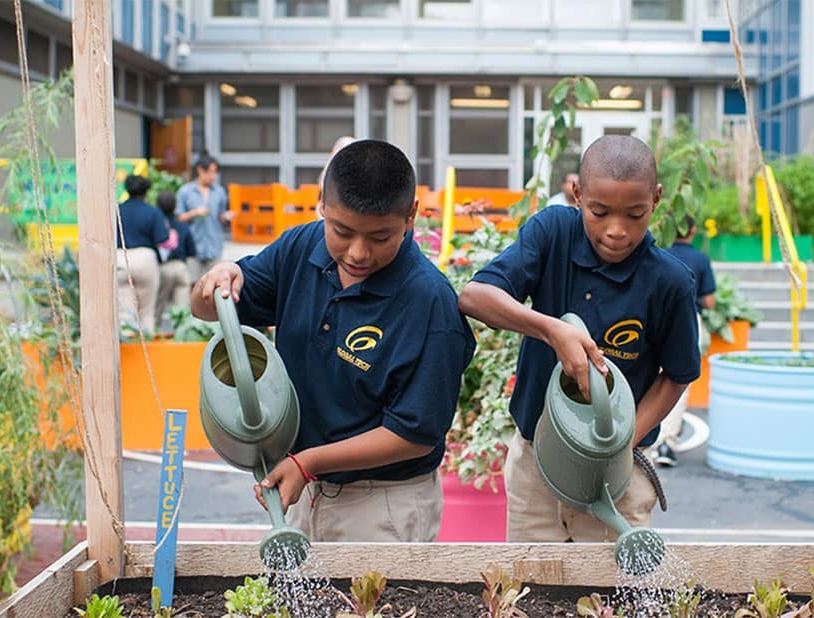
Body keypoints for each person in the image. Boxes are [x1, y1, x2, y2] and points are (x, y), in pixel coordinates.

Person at [191, 140, 475, 542]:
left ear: (410, 216)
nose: (358, 253)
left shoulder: (429, 304)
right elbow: (206, 309)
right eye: (342, 231)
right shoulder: (301, 247)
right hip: (305, 486)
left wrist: (309, 462)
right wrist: (216, 279)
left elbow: (414, 435)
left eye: (380, 237)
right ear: (322, 203)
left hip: (383, 504)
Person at [458, 135, 700, 543]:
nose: (617, 231)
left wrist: (620, 443)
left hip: (618, 473)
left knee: (608, 597)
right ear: (576, 194)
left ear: (656, 199)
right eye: (599, 212)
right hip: (537, 463)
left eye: (636, 215)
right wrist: (553, 329)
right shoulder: (551, 234)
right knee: (531, 589)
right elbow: (474, 297)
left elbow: (676, 374)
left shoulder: (670, 281)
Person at [649, 215, 715, 468]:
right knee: (678, 379)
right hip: (687, 320)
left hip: (654, 319)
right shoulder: (700, 259)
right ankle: (666, 441)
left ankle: (646, 439)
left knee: (652, 377)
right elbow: (708, 301)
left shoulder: (660, 255)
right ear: (694, 230)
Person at [116, 175, 168, 335]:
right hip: (145, 258)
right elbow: (162, 238)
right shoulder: (153, 212)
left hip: (120, 258)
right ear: (146, 192)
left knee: (125, 312)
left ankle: (128, 350)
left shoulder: (116, 210)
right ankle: (147, 349)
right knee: (146, 311)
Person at [176, 153, 235, 282]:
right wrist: (194, 212)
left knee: (215, 284)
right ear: (200, 170)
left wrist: (225, 216)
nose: (213, 176)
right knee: (192, 284)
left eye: (215, 172)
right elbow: (179, 218)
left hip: (214, 245)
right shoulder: (185, 191)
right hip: (192, 246)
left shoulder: (219, 191)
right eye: (210, 172)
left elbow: (220, 215)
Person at [155, 190, 196, 327]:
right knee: (182, 309)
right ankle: (180, 338)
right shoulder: (183, 226)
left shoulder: (156, 224)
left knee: (158, 307)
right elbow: (192, 251)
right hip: (181, 267)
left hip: (162, 268)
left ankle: (155, 335)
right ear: (175, 206)